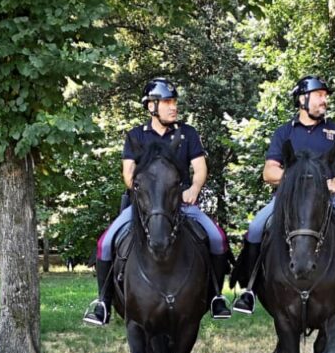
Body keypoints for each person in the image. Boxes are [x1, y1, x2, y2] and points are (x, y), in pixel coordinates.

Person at [231, 75, 335, 323]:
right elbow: (269, 171)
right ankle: (249, 291)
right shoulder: (284, 133)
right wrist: (295, 183)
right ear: (303, 100)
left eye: (325, 96)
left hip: (333, 198)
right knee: (256, 228)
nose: (324, 100)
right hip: (290, 200)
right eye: (319, 95)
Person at [83, 78, 233, 326]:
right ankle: (103, 302)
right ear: (151, 106)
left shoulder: (188, 134)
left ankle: (216, 296)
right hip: (143, 207)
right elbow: (128, 175)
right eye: (167, 102)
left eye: (174, 102)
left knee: (217, 238)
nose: (173, 107)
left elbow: (199, 167)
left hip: (182, 202)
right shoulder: (136, 137)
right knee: (105, 243)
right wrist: (149, 196)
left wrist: (194, 188)